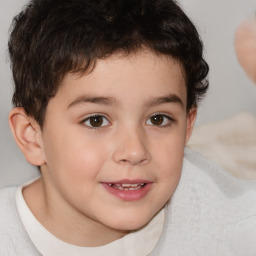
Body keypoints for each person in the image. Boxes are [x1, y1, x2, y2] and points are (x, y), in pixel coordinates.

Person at [0, 0, 255, 255]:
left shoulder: (237, 227)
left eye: (158, 119)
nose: (134, 151)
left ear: (187, 127)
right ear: (32, 137)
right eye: (96, 120)